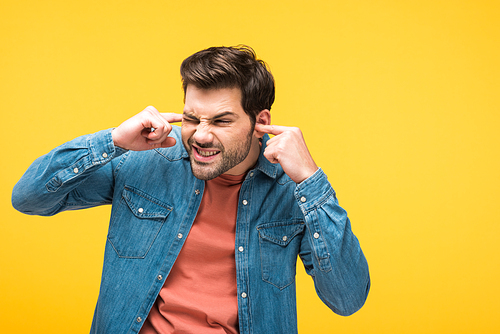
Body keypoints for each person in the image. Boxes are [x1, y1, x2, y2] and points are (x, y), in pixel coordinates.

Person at [12, 45, 370, 334]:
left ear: (261, 123)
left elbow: (347, 298)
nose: (200, 134)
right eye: (191, 118)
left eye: (221, 120)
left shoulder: (295, 194)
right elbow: (28, 197)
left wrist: (311, 180)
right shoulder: (144, 162)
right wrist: (112, 141)